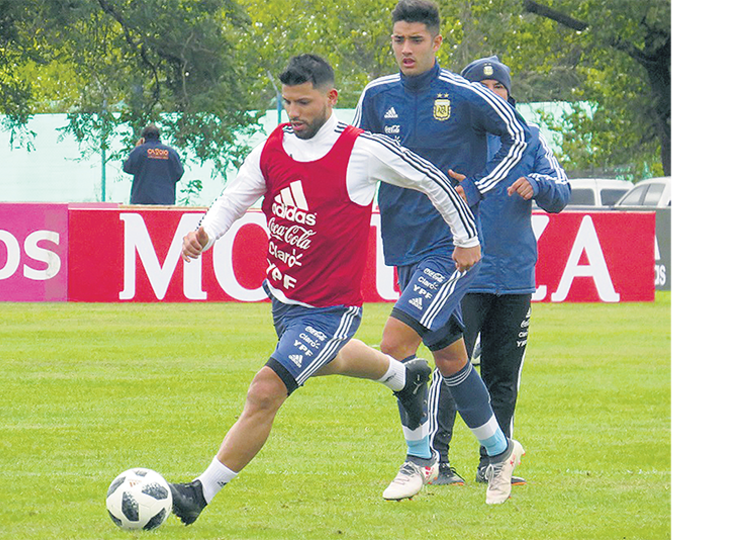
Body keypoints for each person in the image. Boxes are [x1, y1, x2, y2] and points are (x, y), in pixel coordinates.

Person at [169, 53, 480, 525]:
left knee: (266, 390)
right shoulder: (273, 145)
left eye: (305, 103)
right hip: (284, 300)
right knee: (325, 359)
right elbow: (235, 198)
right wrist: (204, 233)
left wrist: (466, 238)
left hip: (332, 309)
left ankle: (198, 494)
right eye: (288, 102)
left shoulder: (360, 150)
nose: (294, 113)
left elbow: (431, 178)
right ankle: (405, 377)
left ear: (331, 98)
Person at [352, 0, 527, 504]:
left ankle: (419, 459)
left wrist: (480, 185)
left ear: (437, 43)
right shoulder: (376, 94)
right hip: (402, 241)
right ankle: (498, 449)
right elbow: (361, 158)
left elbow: (517, 136)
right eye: (399, 40)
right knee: (450, 356)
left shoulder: (465, 95)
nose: (406, 48)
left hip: (451, 246)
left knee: (394, 346)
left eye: (417, 40)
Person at [429, 55, 571, 486]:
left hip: (514, 275)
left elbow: (561, 191)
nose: (493, 96)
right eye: (483, 90)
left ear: (510, 95)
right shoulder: (452, 138)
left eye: (500, 89)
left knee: (503, 373)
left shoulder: (529, 138)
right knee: (454, 367)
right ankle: (435, 460)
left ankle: (495, 461)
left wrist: (540, 184)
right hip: (463, 271)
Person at [122, 124, 184, 205]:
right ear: (158, 136)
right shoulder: (171, 153)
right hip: (166, 203)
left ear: (143, 138)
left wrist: (136, 149)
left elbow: (127, 167)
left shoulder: (139, 151)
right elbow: (179, 173)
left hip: (142, 203)